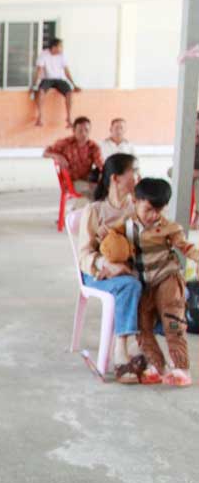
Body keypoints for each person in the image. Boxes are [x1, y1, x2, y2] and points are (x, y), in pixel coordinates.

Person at [125, 178, 199, 386]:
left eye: (159, 210)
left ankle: (182, 368)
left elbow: (185, 246)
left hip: (167, 279)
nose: (153, 216)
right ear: (135, 201)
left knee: (173, 322)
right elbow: (108, 239)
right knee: (142, 326)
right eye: (148, 209)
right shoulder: (125, 225)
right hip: (143, 284)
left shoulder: (169, 227)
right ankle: (159, 367)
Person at [77, 153, 143, 383]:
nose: (138, 177)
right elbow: (84, 256)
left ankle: (142, 349)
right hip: (98, 275)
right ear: (115, 178)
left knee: (154, 284)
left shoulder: (137, 209)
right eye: (133, 172)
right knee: (129, 285)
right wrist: (107, 264)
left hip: (128, 272)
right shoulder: (94, 211)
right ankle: (121, 351)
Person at [44, 116, 104, 196]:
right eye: (80, 131)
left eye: (86, 130)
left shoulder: (93, 146)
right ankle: (83, 207)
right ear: (74, 131)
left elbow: (100, 164)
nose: (84, 134)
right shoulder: (65, 143)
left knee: (105, 188)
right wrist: (57, 156)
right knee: (96, 191)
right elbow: (45, 153)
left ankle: (82, 206)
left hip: (87, 180)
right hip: (70, 182)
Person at [33, 38, 81, 127]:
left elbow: (67, 71)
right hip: (47, 79)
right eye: (60, 46)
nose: (62, 48)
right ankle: (40, 117)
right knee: (40, 92)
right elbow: (39, 71)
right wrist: (34, 85)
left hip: (59, 79)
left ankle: (69, 118)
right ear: (54, 47)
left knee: (69, 93)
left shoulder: (62, 56)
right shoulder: (44, 54)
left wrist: (74, 85)